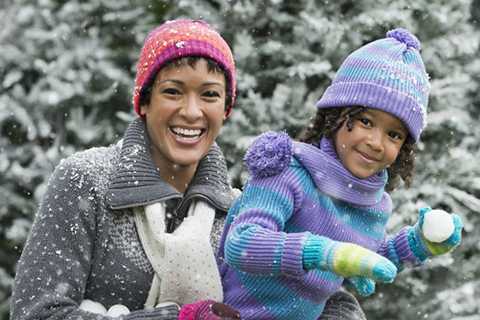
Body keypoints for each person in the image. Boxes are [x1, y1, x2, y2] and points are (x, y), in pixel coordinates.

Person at [10, 19, 367, 320]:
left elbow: (333, 302)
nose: (192, 111)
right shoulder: (87, 181)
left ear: (225, 109)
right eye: (173, 91)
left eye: (210, 95)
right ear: (144, 101)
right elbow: (38, 313)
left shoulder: (242, 214)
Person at [217, 28, 463, 320]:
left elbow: (368, 261)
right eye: (365, 120)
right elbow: (242, 243)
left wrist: (418, 244)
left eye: (394, 134)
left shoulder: (371, 204)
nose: (376, 141)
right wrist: (322, 253)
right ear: (335, 115)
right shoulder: (288, 171)